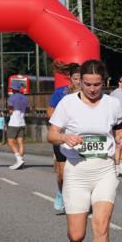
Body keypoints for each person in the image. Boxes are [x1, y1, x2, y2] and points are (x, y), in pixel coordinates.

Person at [48, 59, 122, 242]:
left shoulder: (112, 103)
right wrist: (65, 139)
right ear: (80, 82)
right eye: (87, 84)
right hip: (76, 170)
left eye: (97, 84)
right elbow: (51, 134)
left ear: (103, 82)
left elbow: (119, 130)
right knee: (78, 233)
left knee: (101, 225)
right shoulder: (68, 103)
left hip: (104, 169)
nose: (93, 89)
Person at [47, 62, 81, 213]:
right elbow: (49, 113)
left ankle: (75, 200)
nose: (79, 82)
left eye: (81, 78)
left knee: (78, 171)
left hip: (80, 139)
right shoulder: (61, 93)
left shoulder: (88, 95)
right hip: (62, 137)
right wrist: (63, 122)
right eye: (75, 78)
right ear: (70, 79)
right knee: (62, 175)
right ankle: (61, 192)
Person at [6, 81, 29, 169]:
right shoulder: (25, 98)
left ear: (13, 89)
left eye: (12, 88)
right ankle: (20, 161)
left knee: (10, 142)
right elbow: (28, 110)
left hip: (14, 122)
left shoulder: (11, 98)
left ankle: (19, 160)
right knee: (21, 143)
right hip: (22, 122)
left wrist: (10, 111)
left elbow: (11, 110)